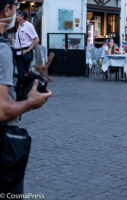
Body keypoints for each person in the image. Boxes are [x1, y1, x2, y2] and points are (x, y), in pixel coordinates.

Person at [0, 0, 52, 196]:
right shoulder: (2, 49)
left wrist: (27, 51)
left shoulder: (26, 28)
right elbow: (2, 109)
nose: (17, 13)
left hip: (23, 55)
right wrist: (30, 103)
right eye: (15, 6)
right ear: (7, 9)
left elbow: (36, 39)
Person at [13, 10, 39, 77]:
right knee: (20, 73)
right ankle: (21, 86)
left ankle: (25, 87)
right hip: (18, 53)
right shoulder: (20, 26)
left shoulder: (29, 26)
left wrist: (28, 50)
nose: (16, 17)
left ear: (22, 16)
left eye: (17, 15)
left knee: (24, 74)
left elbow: (37, 39)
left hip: (24, 53)